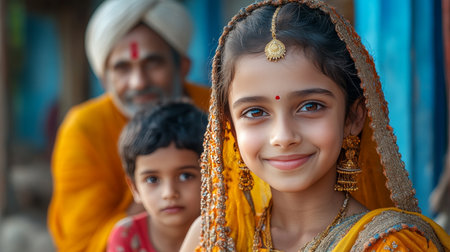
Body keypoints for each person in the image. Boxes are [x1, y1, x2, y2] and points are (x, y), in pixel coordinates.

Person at [181, 1, 450, 251]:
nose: (283, 136)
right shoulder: (212, 238)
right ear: (229, 127)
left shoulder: (390, 246)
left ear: (353, 118)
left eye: (311, 106)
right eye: (255, 112)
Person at [47, 0, 210, 251]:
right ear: (104, 78)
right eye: (122, 68)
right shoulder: (83, 129)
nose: (138, 82)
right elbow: (83, 242)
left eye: (153, 63)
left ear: (183, 67)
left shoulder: (215, 108)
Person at [107, 101, 207, 252]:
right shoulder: (127, 236)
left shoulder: (224, 231)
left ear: (212, 177)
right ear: (134, 188)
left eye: (185, 176)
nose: (169, 193)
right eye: (152, 179)